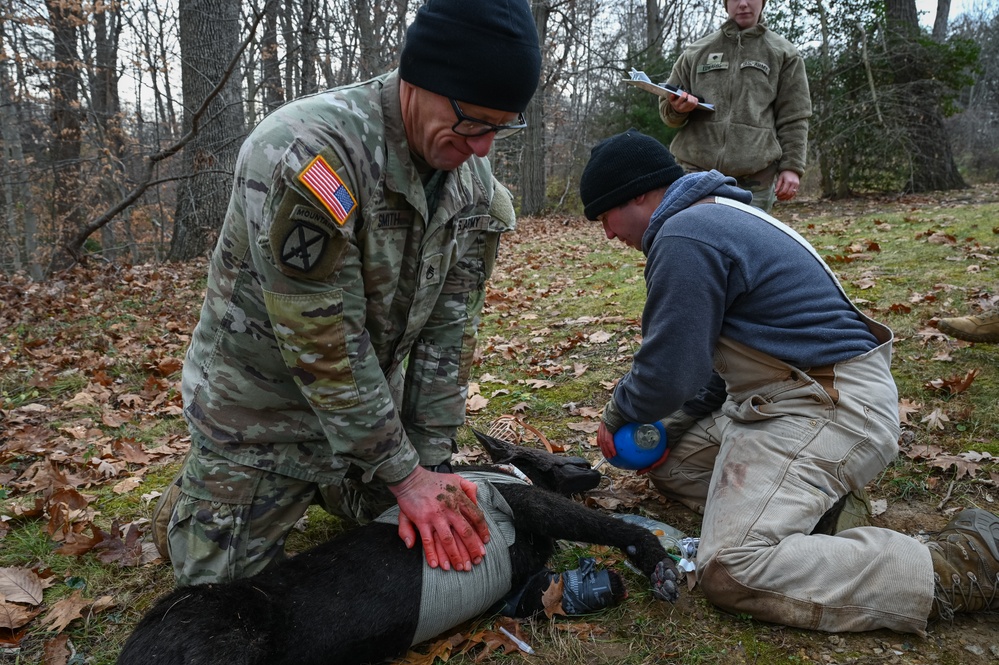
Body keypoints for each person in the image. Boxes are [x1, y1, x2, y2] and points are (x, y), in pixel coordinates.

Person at [152, 0, 542, 586]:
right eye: (474, 122)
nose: (484, 146)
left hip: (367, 410)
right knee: (223, 600)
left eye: (500, 127)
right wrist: (405, 478)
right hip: (260, 415)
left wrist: (429, 463)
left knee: (408, 533)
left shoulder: (472, 185)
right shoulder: (310, 153)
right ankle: (190, 503)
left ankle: (334, 480)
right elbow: (324, 343)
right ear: (420, 79)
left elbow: (448, 333)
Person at [578, 129, 999, 633]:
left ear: (640, 194)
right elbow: (712, 375)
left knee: (733, 569)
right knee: (673, 466)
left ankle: (960, 566)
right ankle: (821, 509)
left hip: (828, 405)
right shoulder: (717, 215)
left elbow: (672, 370)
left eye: (605, 216)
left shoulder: (684, 235)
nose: (606, 233)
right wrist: (667, 426)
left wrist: (619, 415)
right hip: (784, 398)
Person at [660, 0, 811, 212]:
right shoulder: (697, 51)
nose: (742, 4)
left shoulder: (784, 54)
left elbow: (794, 116)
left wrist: (792, 167)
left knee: (746, 243)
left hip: (755, 181)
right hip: (694, 174)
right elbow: (667, 112)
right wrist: (677, 109)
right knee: (694, 241)